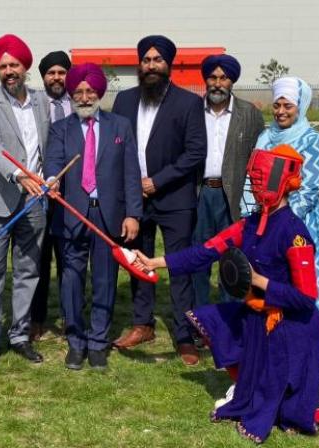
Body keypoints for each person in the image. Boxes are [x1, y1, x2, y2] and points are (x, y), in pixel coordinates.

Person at [134, 145, 319, 443]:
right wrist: (157, 261)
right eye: (253, 180)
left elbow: (306, 298)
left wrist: (260, 281)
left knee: (291, 416)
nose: (254, 187)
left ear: (279, 182)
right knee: (212, 319)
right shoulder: (249, 224)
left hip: (294, 331)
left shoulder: (295, 233)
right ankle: (251, 385)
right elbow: (207, 252)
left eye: (259, 180)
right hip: (259, 317)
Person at [111, 35, 207, 366]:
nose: (151, 65)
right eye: (146, 60)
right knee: (139, 262)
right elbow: (117, 146)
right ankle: (142, 324)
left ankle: (184, 334)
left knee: (179, 267)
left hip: (175, 199)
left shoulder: (189, 103)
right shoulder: (124, 100)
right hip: (135, 200)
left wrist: (157, 181)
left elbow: (196, 151)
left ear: (169, 64)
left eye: (158, 60)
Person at [44, 63, 142, 370]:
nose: (84, 97)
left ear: (99, 92)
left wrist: (133, 214)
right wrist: (51, 180)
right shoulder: (60, 129)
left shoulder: (120, 126)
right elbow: (53, 165)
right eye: (78, 92)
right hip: (71, 215)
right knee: (71, 281)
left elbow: (130, 174)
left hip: (108, 217)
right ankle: (76, 341)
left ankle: (98, 341)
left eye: (89, 91)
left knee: (104, 280)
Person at [0, 34, 51, 372]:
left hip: (35, 202)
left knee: (28, 270)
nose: (8, 71)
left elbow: (51, 147)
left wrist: (49, 177)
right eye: (3, 66)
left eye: (14, 65)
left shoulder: (43, 102)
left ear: (25, 67)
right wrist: (20, 176)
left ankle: (20, 335)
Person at [240, 77, 319, 330]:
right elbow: (254, 179)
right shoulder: (265, 137)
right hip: (263, 220)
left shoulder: (311, 140)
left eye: (287, 106)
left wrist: (280, 223)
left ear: (300, 106)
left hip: (297, 226)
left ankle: (307, 340)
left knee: (301, 285)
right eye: (277, 105)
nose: (281, 112)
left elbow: (309, 189)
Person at [193, 54, 264, 306]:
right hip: (200, 194)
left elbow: (258, 156)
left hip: (232, 197)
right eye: (212, 77)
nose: (217, 83)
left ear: (232, 80)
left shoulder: (249, 114)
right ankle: (200, 318)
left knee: (232, 259)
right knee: (199, 259)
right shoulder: (193, 110)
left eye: (224, 78)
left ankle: (230, 317)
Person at [32, 50, 73, 340]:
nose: (56, 78)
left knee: (70, 258)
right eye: (51, 73)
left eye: (61, 72)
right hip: (39, 192)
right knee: (38, 258)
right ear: (43, 76)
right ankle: (37, 317)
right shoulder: (34, 105)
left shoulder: (80, 103)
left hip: (73, 194)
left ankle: (70, 315)